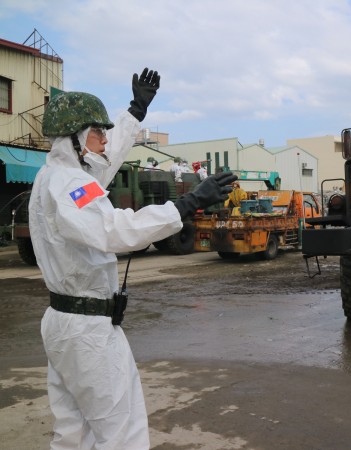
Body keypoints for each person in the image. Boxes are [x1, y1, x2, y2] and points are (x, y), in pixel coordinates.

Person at [29, 67, 237, 449]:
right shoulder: (71, 185)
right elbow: (113, 231)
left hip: (64, 322)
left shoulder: (56, 175)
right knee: (121, 432)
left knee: (72, 431)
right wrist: (187, 203)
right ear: (74, 137)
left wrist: (135, 111)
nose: (105, 140)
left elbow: (103, 166)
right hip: (87, 330)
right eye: (98, 132)